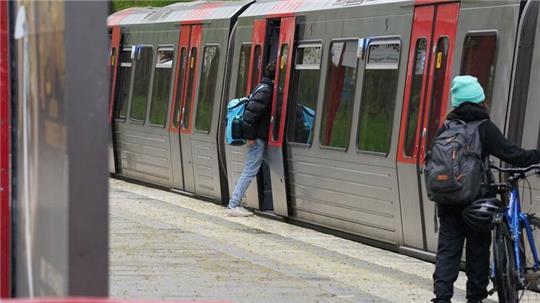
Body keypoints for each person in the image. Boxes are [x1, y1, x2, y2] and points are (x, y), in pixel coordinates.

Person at [432, 75, 540, 303]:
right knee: (478, 251)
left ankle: (442, 298)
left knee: (447, 251)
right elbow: (513, 154)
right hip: (476, 201)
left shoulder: (446, 128)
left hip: (448, 199)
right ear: (480, 100)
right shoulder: (484, 128)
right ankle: (475, 298)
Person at [226, 62, 275, 217]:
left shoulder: (261, 87)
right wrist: (250, 136)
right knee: (250, 169)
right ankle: (233, 204)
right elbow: (250, 115)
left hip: (259, 137)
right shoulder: (266, 90)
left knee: (275, 162)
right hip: (257, 138)